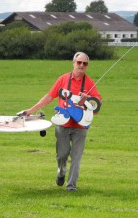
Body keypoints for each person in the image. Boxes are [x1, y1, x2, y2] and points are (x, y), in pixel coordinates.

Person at [21, 52, 102, 191]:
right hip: (62, 125)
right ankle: (61, 171)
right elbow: (49, 96)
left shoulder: (89, 82)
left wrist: (88, 99)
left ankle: (71, 186)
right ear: (73, 63)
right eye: (79, 62)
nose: (81, 65)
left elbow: (97, 105)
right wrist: (31, 110)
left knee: (76, 157)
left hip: (80, 127)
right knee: (62, 155)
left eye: (85, 63)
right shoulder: (63, 79)